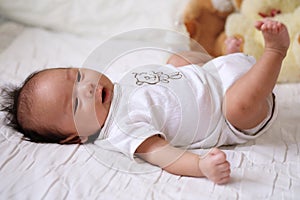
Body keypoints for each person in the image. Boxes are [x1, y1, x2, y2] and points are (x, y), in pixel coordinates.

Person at [0, 19, 290, 184]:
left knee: (176, 60)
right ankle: (275, 52)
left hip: (213, 73)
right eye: (75, 104)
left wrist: (199, 67)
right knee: (237, 107)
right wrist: (201, 166)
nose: (86, 89)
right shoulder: (122, 131)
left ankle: (220, 56)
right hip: (231, 110)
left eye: (77, 77)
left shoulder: (121, 84)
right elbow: (164, 156)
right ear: (76, 137)